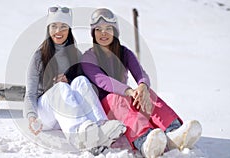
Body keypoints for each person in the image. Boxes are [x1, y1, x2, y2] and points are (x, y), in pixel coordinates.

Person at [81, 8, 202, 158]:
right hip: (105, 110)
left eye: (108, 29)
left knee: (147, 93)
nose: (103, 33)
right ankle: (144, 140)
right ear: (93, 33)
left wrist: (142, 87)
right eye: (98, 29)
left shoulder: (124, 53)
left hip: (125, 100)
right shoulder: (88, 57)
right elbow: (103, 81)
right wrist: (129, 91)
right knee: (116, 98)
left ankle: (173, 132)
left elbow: (141, 74)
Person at [23, 6, 126, 154]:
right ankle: (79, 135)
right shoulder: (39, 57)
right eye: (54, 26)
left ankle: (101, 126)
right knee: (60, 88)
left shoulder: (75, 54)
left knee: (81, 81)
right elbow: (30, 94)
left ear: (69, 30)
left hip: (64, 115)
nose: (58, 31)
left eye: (63, 27)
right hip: (43, 114)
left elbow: (81, 90)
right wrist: (32, 118)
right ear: (48, 29)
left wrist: (69, 81)